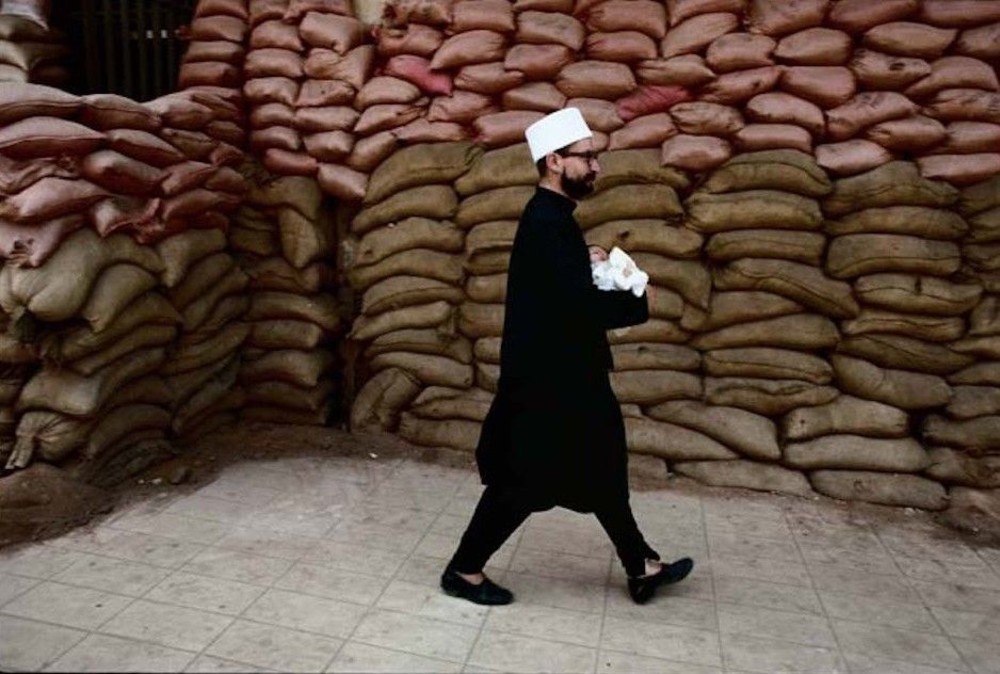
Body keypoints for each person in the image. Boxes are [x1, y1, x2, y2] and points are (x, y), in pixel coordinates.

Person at [441, 107, 694, 606]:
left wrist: (587, 257)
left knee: (602, 469)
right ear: (555, 161)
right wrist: (638, 303)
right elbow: (574, 307)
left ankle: (641, 565)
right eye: (587, 158)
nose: (596, 166)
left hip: (567, 376)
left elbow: (558, 285)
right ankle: (464, 570)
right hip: (547, 383)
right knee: (522, 481)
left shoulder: (554, 220)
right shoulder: (545, 222)